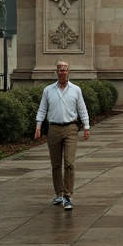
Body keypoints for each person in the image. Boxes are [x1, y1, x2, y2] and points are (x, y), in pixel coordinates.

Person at [34, 61, 90, 210]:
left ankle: (68, 196)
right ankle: (59, 194)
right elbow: (42, 109)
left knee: (69, 163)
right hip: (53, 128)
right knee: (56, 164)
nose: (63, 72)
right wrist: (38, 126)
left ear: (69, 72)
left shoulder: (76, 90)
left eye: (65, 70)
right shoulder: (48, 90)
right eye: (60, 70)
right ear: (56, 72)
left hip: (71, 127)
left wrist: (86, 126)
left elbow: (82, 108)